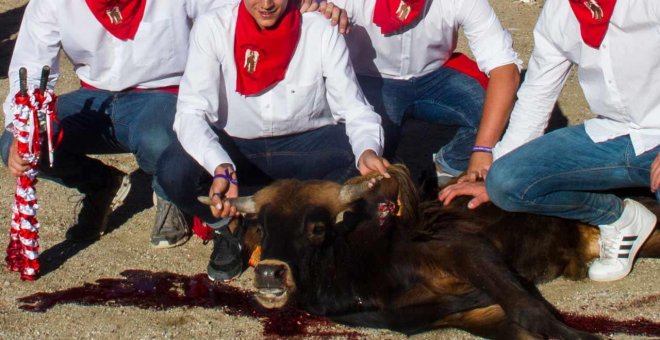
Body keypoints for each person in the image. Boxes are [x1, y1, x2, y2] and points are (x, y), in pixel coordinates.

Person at [156, 0, 390, 281]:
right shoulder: (212, 27)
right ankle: (228, 226)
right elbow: (191, 112)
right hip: (239, 150)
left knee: (370, 161)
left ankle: (303, 224)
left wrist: (367, 151)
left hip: (304, 147)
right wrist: (220, 166)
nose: (266, 4)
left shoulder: (319, 29)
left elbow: (354, 110)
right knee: (174, 170)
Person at [439, 0, 659, 282]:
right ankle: (619, 218)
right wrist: (493, 176)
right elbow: (537, 96)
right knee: (506, 182)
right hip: (611, 133)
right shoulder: (559, 11)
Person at [0, 0, 242, 248]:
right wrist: (26, 124)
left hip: (163, 94)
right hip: (94, 98)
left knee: (159, 137)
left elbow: (224, 22)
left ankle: (169, 192)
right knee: (23, 143)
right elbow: (31, 66)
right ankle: (99, 184)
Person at [319, 0, 521, 185]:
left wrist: (483, 149)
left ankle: (447, 166)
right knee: (362, 148)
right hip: (371, 77)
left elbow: (504, 67)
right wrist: (323, 12)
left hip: (435, 74)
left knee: (502, 112)